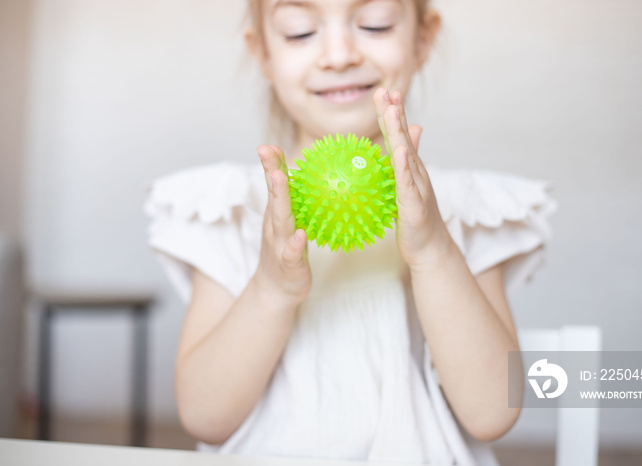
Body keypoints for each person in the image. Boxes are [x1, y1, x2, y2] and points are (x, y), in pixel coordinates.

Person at [143, 0, 558, 464]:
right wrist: (271, 289)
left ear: (423, 38)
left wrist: (435, 253)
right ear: (262, 51)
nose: (339, 55)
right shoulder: (230, 210)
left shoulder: (466, 210)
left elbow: (494, 413)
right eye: (300, 31)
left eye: (374, 23)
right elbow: (204, 416)